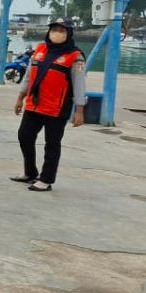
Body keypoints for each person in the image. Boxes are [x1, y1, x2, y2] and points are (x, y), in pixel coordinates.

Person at [12, 17, 86, 192]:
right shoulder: (40, 49)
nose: (57, 33)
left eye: (62, 30)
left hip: (57, 108)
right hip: (34, 104)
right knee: (24, 136)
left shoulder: (76, 57)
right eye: (54, 29)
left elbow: (79, 85)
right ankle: (30, 172)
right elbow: (29, 75)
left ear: (69, 33)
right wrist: (20, 97)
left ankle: (46, 179)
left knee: (52, 144)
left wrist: (80, 110)